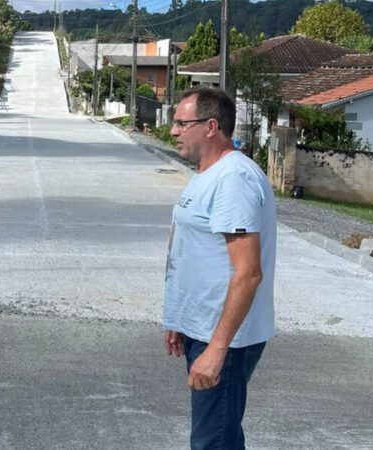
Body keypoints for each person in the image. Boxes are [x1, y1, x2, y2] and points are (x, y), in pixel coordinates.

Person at [163, 87, 276, 449]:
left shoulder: (233, 179)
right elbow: (195, 252)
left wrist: (216, 349)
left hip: (224, 338)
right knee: (216, 436)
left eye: (182, 123)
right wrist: (180, 319)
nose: (173, 131)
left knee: (214, 442)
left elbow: (248, 272)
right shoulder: (208, 174)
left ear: (211, 126)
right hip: (202, 328)